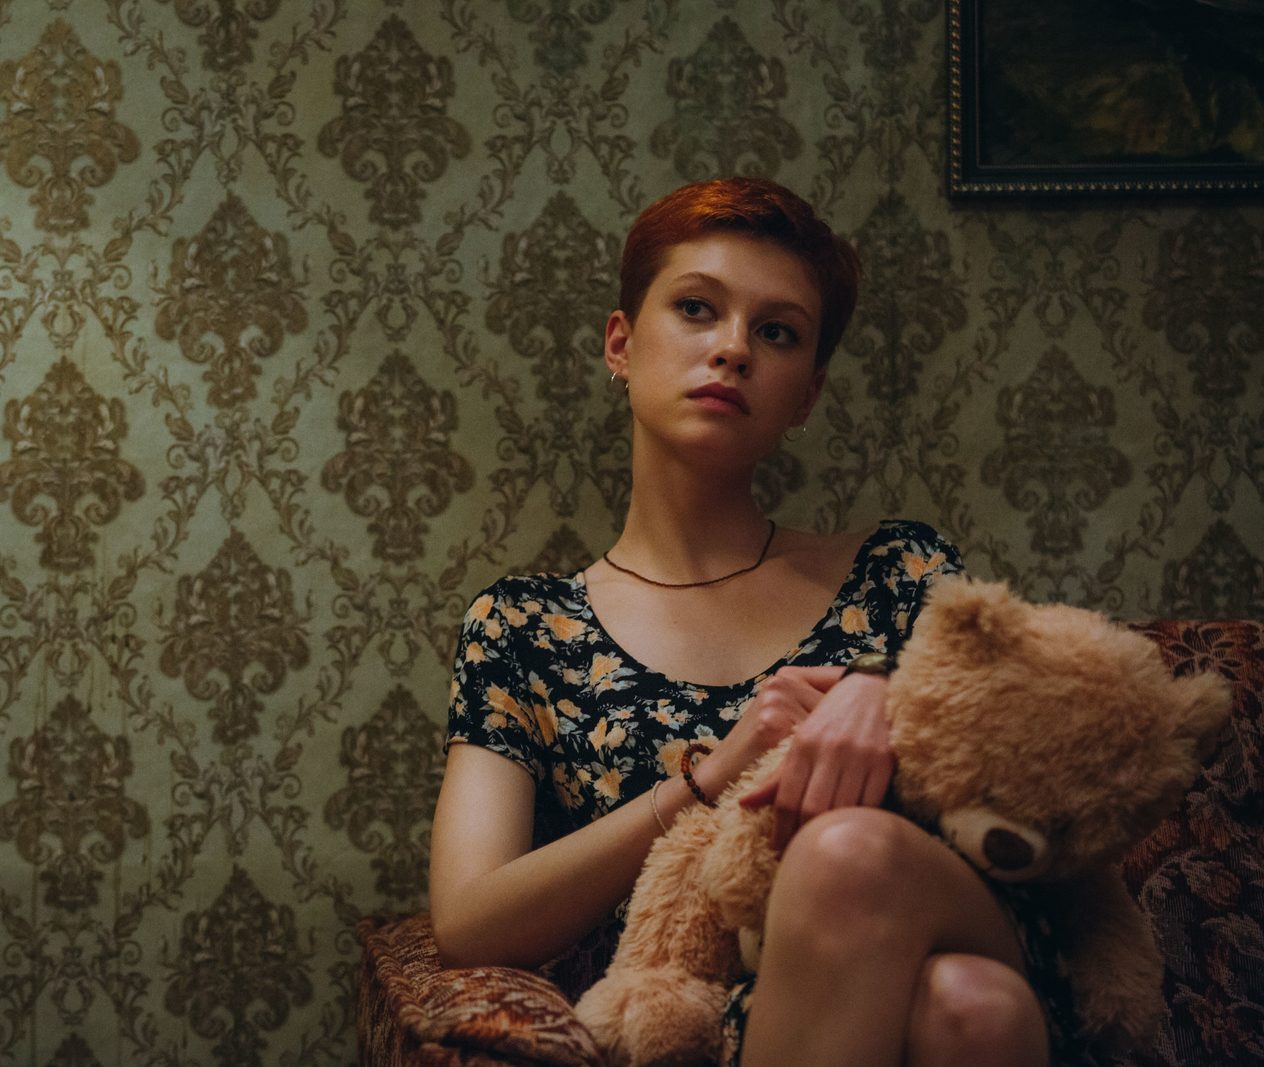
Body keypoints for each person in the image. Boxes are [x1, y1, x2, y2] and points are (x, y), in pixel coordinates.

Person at [428, 178, 1074, 1066]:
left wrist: (886, 693)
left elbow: (1038, 781)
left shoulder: (900, 571)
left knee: (852, 858)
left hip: (950, 912)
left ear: (806, 395)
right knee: (969, 1007)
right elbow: (469, 920)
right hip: (695, 1023)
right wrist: (711, 775)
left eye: (777, 332)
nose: (733, 348)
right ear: (621, 343)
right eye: (697, 308)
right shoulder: (524, 627)